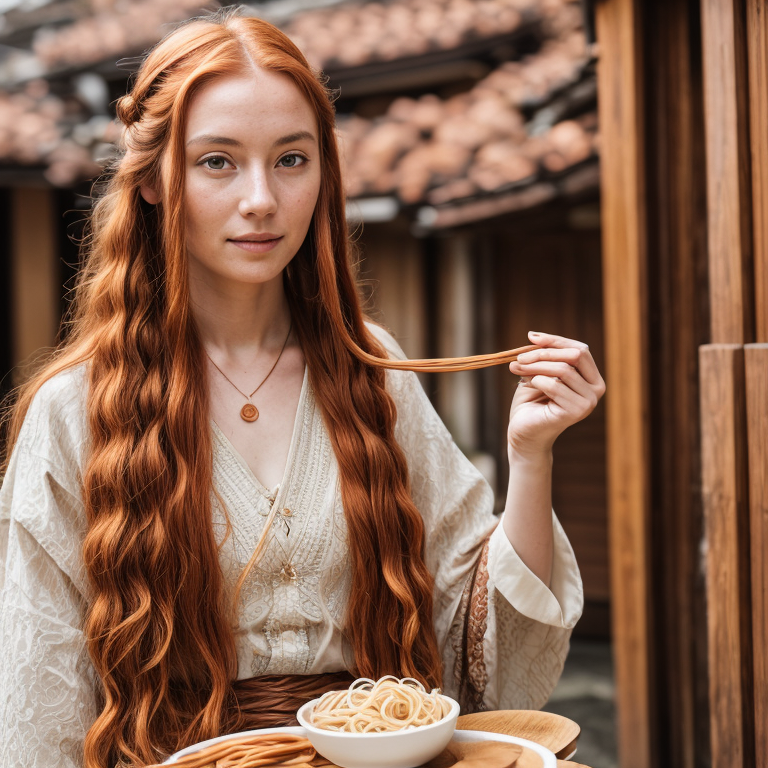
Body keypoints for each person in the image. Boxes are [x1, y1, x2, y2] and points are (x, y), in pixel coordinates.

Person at [0, 7, 605, 768]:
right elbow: (37, 701)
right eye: (218, 161)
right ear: (154, 179)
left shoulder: (370, 369)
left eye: (292, 159)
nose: (262, 199)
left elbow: (484, 652)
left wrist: (534, 455)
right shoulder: (77, 409)